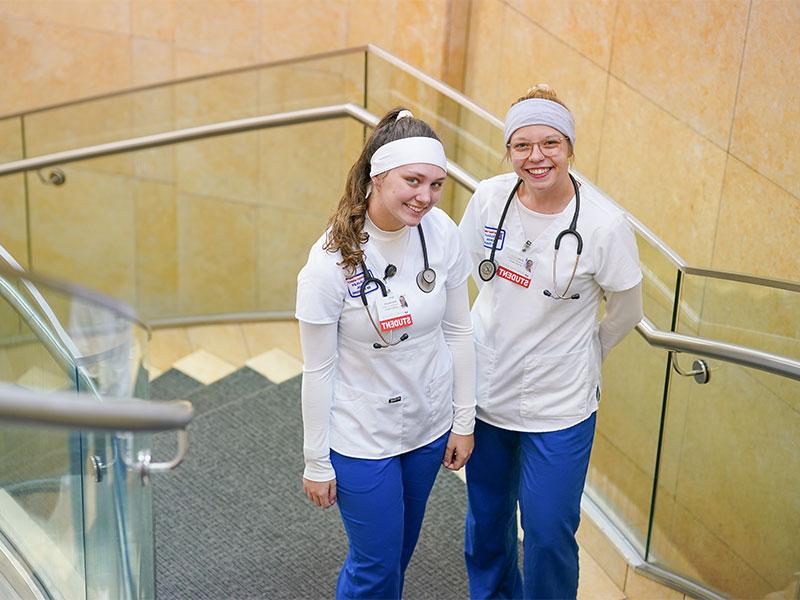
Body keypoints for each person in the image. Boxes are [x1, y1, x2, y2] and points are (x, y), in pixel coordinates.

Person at [458, 84, 644, 599]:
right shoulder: (490, 198)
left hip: (560, 406)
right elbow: (470, 276)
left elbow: (627, 310)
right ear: (508, 150)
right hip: (488, 391)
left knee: (546, 533)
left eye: (550, 144)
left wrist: (587, 353)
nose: (535, 157)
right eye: (522, 145)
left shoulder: (604, 225)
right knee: (487, 522)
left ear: (569, 148)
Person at [295, 108, 476, 599]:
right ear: (377, 177)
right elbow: (317, 369)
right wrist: (316, 461)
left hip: (427, 423)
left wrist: (464, 420)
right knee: (375, 564)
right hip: (360, 433)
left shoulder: (442, 233)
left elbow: (460, 332)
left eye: (436, 184)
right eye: (413, 181)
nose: (426, 197)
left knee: (399, 552)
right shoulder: (328, 265)